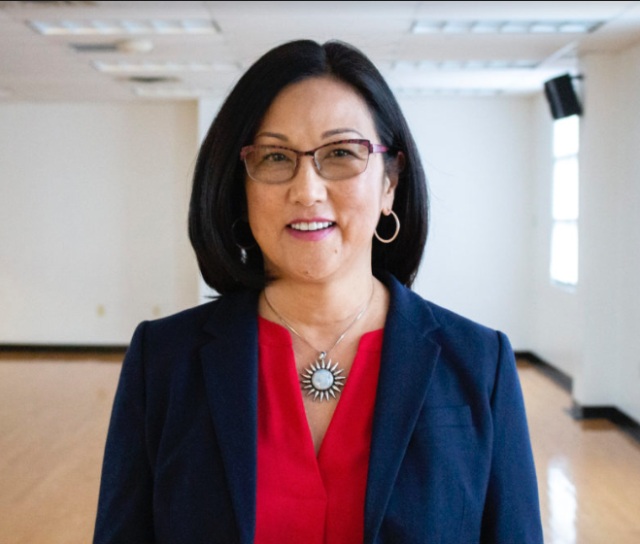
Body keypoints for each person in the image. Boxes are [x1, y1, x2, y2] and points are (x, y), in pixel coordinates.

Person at [93, 40, 543, 544]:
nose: (307, 191)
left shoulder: (480, 364)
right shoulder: (163, 362)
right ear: (241, 186)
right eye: (275, 156)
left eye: (341, 154)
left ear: (390, 183)